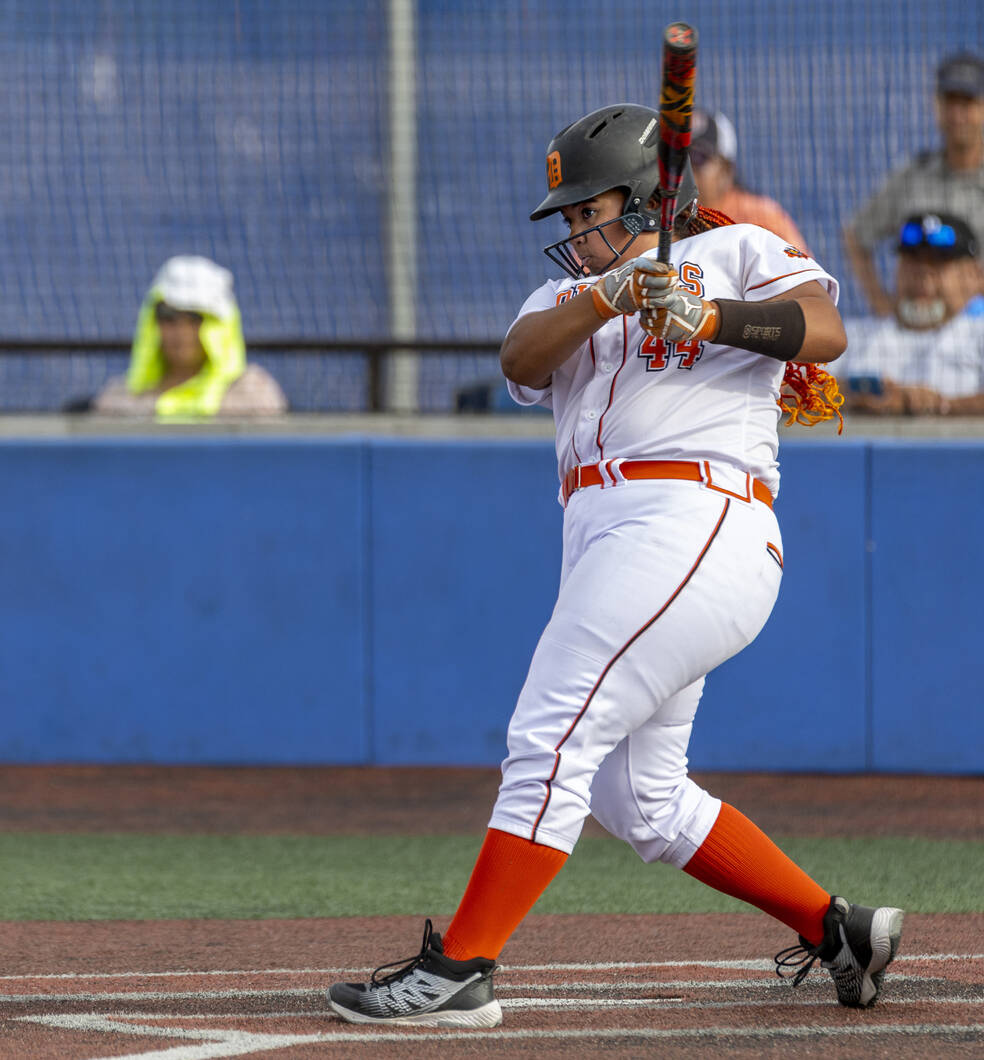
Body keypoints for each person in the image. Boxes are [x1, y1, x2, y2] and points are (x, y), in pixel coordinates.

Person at [326, 102, 901, 1029]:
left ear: (640, 200)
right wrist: (613, 293)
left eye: (586, 210)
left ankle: (463, 968)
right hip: (605, 534)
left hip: (695, 513)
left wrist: (708, 313)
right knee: (639, 796)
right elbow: (520, 357)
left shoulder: (734, 248)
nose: (571, 229)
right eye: (566, 214)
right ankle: (839, 931)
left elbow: (824, 331)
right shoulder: (565, 297)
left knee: (550, 733)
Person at [843, 51, 984, 317]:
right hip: (917, 334)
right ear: (937, 106)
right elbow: (855, 236)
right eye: (950, 102)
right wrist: (882, 307)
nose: (958, 115)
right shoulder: (912, 178)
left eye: (967, 103)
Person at [91, 255, 287, 419]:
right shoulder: (119, 398)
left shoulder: (252, 393)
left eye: (195, 318)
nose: (181, 332)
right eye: (168, 317)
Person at [840, 211, 984, 415]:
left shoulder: (978, 334)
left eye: (938, 262)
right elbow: (787, 390)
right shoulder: (851, 336)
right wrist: (843, 394)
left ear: (973, 275)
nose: (922, 273)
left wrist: (942, 405)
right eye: (912, 260)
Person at [690, 107, 810, 251]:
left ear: (726, 170)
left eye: (697, 158)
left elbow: (799, 271)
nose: (685, 170)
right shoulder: (662, 219)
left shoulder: (759, 218)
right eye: (676, 159)